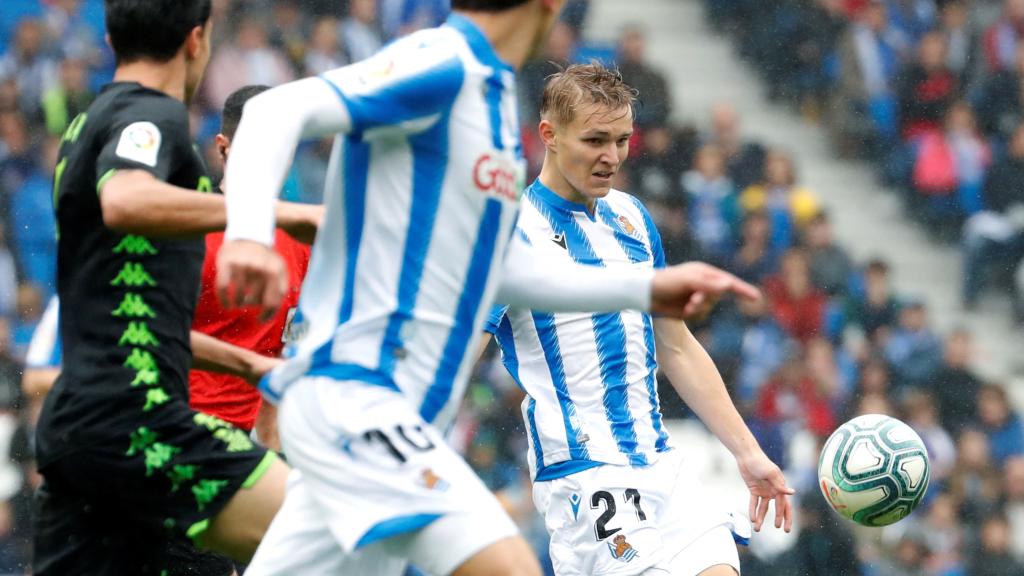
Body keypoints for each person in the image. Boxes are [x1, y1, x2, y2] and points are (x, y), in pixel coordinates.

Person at [217, 1, 763, 574]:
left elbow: (505, 270)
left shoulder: (494, 96)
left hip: (375, 414)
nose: (613, 156)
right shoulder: (442, 63)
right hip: (359, 400)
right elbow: (274, 112)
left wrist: (646, 292)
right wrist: (249, 234)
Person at [30, 1, 318, 573]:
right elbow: (125, 198)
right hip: (139, 421)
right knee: (327, 534)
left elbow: (139, 318)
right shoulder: (152, 118)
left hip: (82, 429)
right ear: (197, 41)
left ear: (110, 39)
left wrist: (249, 367)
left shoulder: (86, 124)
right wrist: (266, 213)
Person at [484, 64, 793, 576]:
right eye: (596, 140)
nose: (612, 157)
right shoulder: (510, 230)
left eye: (623, 139)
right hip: (585, 478)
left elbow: (674, 345)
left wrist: (748, 453)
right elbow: (457, 350)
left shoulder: (629, 216)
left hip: (659, 465)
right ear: (549, 136)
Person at [189, 85, 312, 451]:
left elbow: (284, 356)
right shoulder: (188, 234)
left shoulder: (301, 246)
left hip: (243, 450)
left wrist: (275, 456)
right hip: (175, 433)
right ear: (223, 148)